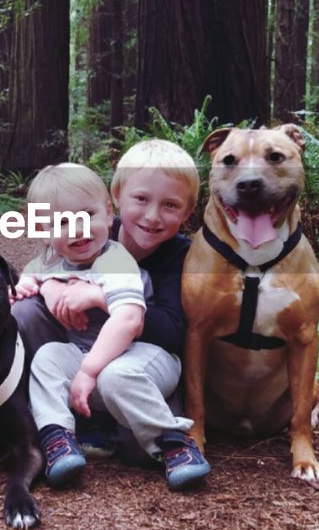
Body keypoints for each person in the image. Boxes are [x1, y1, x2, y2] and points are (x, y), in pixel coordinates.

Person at [13, 145, 209, 490]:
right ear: (116, 199)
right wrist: (45, 287)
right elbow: (34, 272)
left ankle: (174, 442)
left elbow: (146, 322)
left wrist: (96, 298)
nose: (152, 216)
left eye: (169, 205)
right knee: (45, 355)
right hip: (91, 356)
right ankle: (56, 434)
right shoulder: (81, 236)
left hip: (143, 359)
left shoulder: (119, 259)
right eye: (141, 200)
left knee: (123, 401)